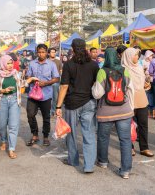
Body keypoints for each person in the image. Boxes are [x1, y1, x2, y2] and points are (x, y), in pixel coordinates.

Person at [55, 39, 99, 173]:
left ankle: (73, 160)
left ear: (72, 49)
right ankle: (89, 165)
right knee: (89, 134)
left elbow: (64, 87)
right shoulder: (93, 65)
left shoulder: (68, 65)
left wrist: (58, 106)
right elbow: (97, 84)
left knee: (72, 134)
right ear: (85, 48)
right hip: (89, 102)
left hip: (72, 103)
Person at [92, 47, 134, 179]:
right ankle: (125, 170)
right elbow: (130, 89)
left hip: (106, 112)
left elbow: (97, 93)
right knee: (125, 140)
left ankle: (103, 161)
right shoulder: (125, 71)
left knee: (103, 137)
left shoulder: (102, 72)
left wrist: (93, 86)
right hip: (124, 111)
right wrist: (131, 108)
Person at [25, 44, 60, 147]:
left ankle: (45, 137)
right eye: (39, 52)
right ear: (36, 52)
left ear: (47, 52)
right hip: (33, 94)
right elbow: (28, 76)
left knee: (46, 117)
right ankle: (35, 135)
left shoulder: (51, 64)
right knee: (30, 115)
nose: (41, 54)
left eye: (43, 52)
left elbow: (56, 78)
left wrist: (46, 83)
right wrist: (33, 80)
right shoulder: (31, 63)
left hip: (46, 95)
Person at [122, 48, 154, 157]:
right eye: (135, 55)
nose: (137, 57)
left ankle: (144, 147)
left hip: (141, 97)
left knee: (143, 124)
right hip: (129, 98)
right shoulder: (124, 69)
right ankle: (129, 147)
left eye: (137, 55)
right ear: (129, 56)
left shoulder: (140, 68)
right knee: (128, 124)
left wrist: (146, 83)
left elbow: (143, 83)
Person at [0, 55, 22, 159]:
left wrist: (30, 80)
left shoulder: (16, 73)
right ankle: (4, 141)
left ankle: (11, 148)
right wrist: (2, 90)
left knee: (14, 125)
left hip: (14, 100)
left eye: (11, 63)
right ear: (3, 63)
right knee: (2, 124)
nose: (10, 65)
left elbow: (21, 84)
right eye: (8, 63)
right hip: (2, 100)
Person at [48, 48, 63, 117]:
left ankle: (53, 111)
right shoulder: (46, 61)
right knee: (48, 97)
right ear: (48, 53)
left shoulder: (58, 61)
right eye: (52, 52)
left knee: (55, 97)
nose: (53, 53)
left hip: (56, 82)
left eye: (54, 52)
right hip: (47, 82)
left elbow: (61, 71)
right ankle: (48, 111)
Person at [143, 50, 155, 117]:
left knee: (152, 96)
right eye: (151, 56)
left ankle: (152, 112)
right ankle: (148, 112)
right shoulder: (143, 62)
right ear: (147, 56)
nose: (152, 57)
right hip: (146, 82)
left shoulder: (153, 62)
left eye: (152, 56)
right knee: (147, 96)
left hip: (152, 81)